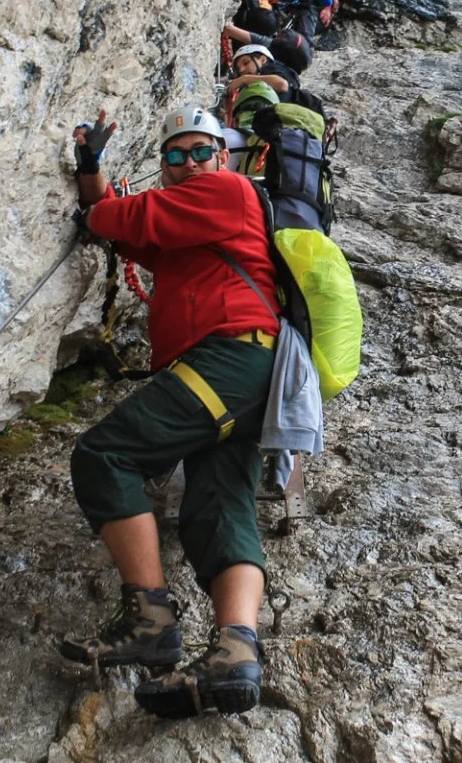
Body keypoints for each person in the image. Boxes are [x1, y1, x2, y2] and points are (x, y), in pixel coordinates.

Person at [61, 106, 276, 717]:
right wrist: (91, 169)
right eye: (174, 156)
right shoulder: (196, 230)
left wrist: (99, 206)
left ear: (224, 155)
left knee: (106, 453)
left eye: (200, 151)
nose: (188, 164)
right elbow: (123, 231)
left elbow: (129, 216)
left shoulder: (229, 192)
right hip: (247, 376)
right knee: (218, 507)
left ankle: (150, 617)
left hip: (228, 358)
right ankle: (236, 651)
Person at [223, 20, 313, 74]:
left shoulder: (268, 44)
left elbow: (229, 30)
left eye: (246, 63)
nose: (242, 69)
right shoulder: (288, 71)